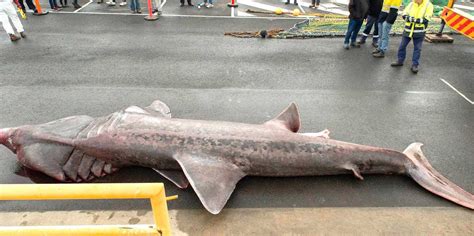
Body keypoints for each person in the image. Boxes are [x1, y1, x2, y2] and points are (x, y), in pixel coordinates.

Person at [391, 0, 433, 73]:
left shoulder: (428, 5)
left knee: (417, 49)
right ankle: (400, 61)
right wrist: (413, 19)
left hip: (419, 32)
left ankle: (415, 65)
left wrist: (411, 19)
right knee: (402, 46)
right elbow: (404, 14)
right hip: (408, 30)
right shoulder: (411, 4)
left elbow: (426, 19)